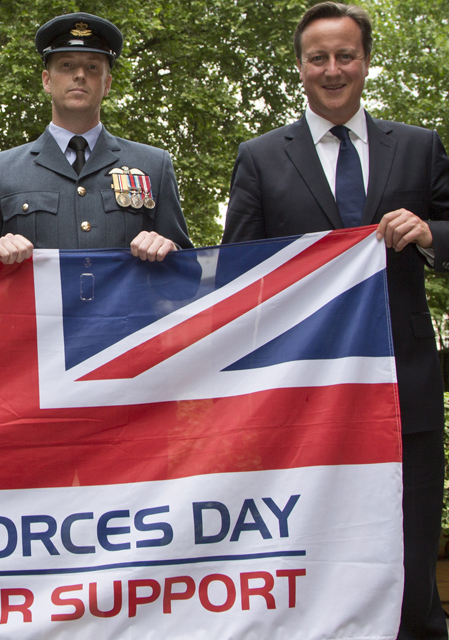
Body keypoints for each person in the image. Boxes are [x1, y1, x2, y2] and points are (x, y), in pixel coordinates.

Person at [222, 3, 449, 637]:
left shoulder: (420, 147)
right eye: (318, 57)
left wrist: (431, 233)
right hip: (302, 391)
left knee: (409, 543)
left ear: (366, 62)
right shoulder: (261, 158)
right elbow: (241, 275)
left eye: (345, 55)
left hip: (403, 385)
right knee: (312, 542)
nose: (332, 70)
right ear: (299, 67)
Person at [0, 12, 192, 263]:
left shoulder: (154, 165)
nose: (79, 75)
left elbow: (189, 278)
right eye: (66, 65)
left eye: (92, 67)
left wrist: (171, 251)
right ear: (46, 80)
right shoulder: (1, 171)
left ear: (107, 84)